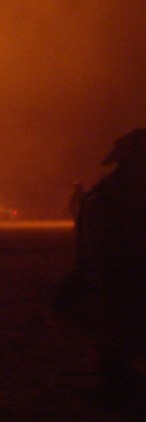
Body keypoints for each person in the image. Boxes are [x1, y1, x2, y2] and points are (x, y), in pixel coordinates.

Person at [70, 129, 146, 402]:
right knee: (121, 323)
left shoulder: (110, 191)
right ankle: (116, 378)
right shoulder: (116, 194)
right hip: (122, 271)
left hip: (118, 272)